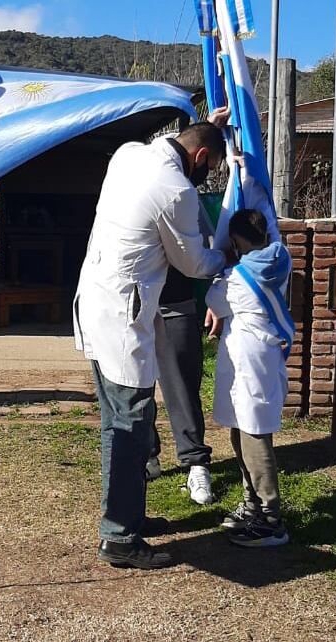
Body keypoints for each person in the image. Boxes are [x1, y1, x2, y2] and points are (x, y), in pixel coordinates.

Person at [74, 109, 232, 570]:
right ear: (199, 158)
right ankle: (120, 538)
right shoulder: (176, 190)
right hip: (122, 313)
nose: (206, 178)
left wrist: (209, 125)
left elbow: (181, 144)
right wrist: (228, 254)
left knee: (118, 421)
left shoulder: (128, 155)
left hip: (96, 300)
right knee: (130, 424)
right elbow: (193, 264)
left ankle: (127, 517)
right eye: (210, 168)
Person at [205, 208, 293, 547]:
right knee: (243, 427)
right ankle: (253, 505)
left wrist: (223, 265)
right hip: (264, 355)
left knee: (253, 433)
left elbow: (214, 301)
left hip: (247, 358)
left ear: (236, 240)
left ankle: (270, 520)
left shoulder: (236, 278)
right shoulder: (281, 259)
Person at [145, 216, 217, 506]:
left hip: (176, 304)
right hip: (134, 306)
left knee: (183, 389)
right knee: (135, 388)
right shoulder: (123, 196)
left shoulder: (184, 199)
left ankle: (196, 463)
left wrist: (218, 296)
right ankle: (146, 455)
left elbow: (212, 247)